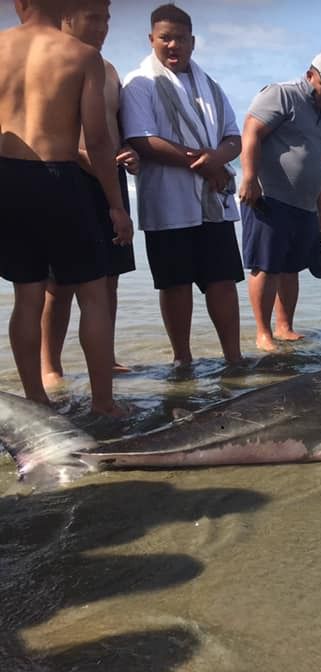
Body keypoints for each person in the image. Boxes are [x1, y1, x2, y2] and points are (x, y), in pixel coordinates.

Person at [0, 0, 133, 417]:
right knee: (93, 294)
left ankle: (36, 400)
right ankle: (103, 403)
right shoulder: (81, 56)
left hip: (8, 179)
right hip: (59, 178)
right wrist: (116, 206)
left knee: (28, 296)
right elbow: (96, 140)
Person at [121, 3, 244, 366]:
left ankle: (234, 358)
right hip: (168, 200)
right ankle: (183, 359)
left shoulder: (212, 85)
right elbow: (142, 140)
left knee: (222, 281)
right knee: (175, 285)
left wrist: (218, 159)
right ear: (151, 40)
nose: (172, 46)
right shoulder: (139, 83)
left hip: (212, 200)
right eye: (165, 38)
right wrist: (203, 162)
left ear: (193, 42)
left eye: (180, 39)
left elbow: (233, 137)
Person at [41, 0, 140, 388]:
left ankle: (105, 357)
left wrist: (130, 153)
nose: (103, 27)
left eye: (108, 19)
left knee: (109, 278)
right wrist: (77, 155)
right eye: (94, 18)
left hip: (110, 179)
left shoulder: (109, 69)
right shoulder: (51, 61)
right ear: (66, 16)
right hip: (66, 179)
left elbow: (115, 129)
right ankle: (50, 365)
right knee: (59, 283)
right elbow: (34, 128)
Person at [238, 52, 321, 352]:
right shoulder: (281, 95)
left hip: (305, 207)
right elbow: (251, 132)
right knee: (266, 265)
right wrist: (249, 178)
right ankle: (263, 333)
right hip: (269, 197)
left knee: (291, 268)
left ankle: (284, 327)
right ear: (311, 75)